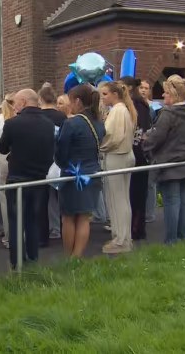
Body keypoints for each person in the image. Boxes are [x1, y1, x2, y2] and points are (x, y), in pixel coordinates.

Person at [0, 89, 56, 269]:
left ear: (23, 102)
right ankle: (33, 258)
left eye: (15, 102)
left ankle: (17, 262)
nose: (14, 106)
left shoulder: (13, 124)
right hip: (39, 179)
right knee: (33, 221)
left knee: (16, 222)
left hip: (17, 179)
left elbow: (2, 148)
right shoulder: (48, 124)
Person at [143, 75, 185, 244]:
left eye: (165, 93)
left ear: (174, 95)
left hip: (170, 165)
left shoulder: (168, 114)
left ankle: (171, 242)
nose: (162, 96)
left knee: (172, 203)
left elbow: (155, 138)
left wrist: (146, 145)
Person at [55, 85, 106, 257]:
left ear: (77, 101)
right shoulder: (99, 124)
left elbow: (61, 152)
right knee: (84, 218)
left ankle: (69, 257)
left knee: (68, 217)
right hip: (92, 174)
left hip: (73, 176)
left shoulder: (71, 123)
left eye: (70, 101)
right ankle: (77, 257)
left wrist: (61, 163)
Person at [98, 81, 137, 254]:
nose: (102, 97)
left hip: (117, 156)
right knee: (122, 199)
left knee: (118, 199)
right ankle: (123, 236)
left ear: (115, 94)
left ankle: (122, 240)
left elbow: (112, 136)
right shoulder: (123, 110)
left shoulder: (118, 111)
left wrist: (100, 146)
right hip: (124, 154)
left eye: (105, 94)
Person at [120, 77, 153, 240]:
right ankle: (137, 227)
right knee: (138, 193)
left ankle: (135, 228)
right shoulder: (142, 105)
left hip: (135, 153)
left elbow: (139, 131)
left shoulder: (135, 106)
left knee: (134, 193)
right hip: (141, 152)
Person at [37, 85, 67, 246]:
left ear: (40, 99)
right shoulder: (62, 117)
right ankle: (60, 228)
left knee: (44, 198)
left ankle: (46, 232)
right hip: (59, 161)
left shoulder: (38, 117)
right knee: (59, 196)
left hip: (42, 161)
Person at [0, 93, 16, 248]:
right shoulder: (19, 118)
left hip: (3, 157)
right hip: (19, 156)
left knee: (4, 199)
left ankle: (9, 236)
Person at [139, 80, 158, 223]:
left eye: (146, 88)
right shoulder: (136, 106)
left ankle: (149, 213)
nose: (144, 90)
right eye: (141, 88)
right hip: (139, 147)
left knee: (151, 183)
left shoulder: (155, 108)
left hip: (150, 148)